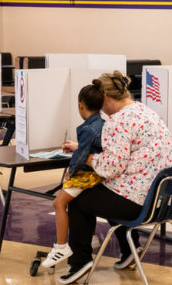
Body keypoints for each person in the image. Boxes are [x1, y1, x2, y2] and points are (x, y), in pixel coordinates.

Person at [58, 71, 172, 284]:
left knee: (79, 201)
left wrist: (84, 157)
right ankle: (129, 250)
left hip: (139, 202)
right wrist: (81, 148)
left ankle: (80, 263)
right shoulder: (145, 111)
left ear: (105, 98)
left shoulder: (118, 120)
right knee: (109, 193)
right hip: (164, 199)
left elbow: (110, 168)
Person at [41, 83, 105, 268]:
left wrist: (71, 171)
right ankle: (92, 238)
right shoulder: (103, 124)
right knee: (84, 203)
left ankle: (60, 247)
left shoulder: (87, 129)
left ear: (80, 105)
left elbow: (80, 156)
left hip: (86, 176)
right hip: (98, 175)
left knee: (58, 203)